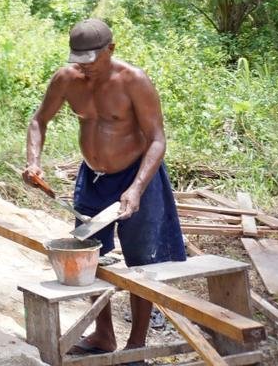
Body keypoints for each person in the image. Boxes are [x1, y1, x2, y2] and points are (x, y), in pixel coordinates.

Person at [23, 18, 185, 358]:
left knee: (141, 262)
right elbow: (39, 120)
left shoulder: (133, 81)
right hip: (93, 180)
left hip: (137, 177)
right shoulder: (67, 80)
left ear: (111, 49)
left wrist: (136, 188)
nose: (84, 67)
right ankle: (104, 335)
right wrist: (33, 162)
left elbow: (157, 139)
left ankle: (137, 344)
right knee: (88, 257)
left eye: (91, 60)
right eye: (78, 60)